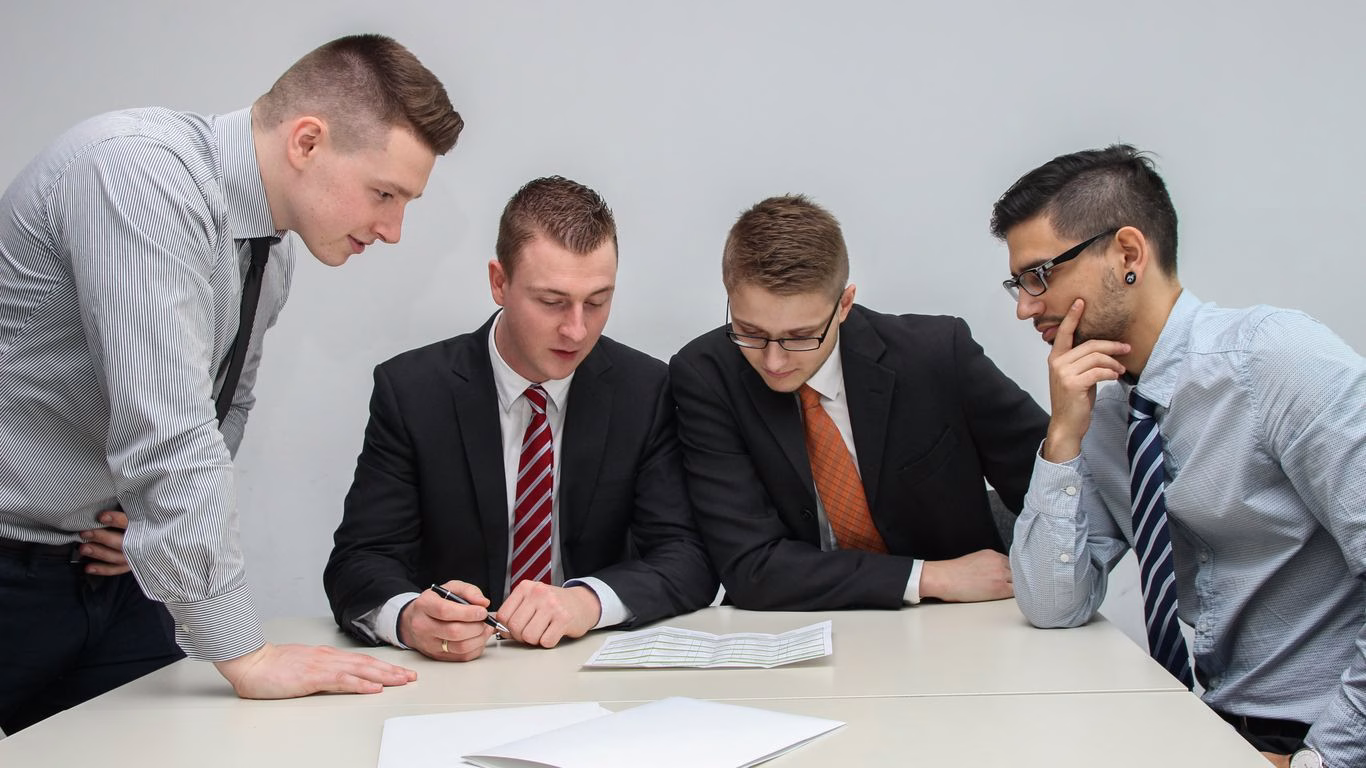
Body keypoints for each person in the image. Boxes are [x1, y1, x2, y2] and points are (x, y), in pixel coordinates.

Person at [0, 34, 464, 733]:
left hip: (102, 575)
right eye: (384, 193)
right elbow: (169, 432)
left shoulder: (270, 251)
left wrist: (146, 529)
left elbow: (225, 407)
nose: (394, 229)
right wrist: (247, 652)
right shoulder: (137, 174)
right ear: (306, 142)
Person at [991, 144, 1365, 768]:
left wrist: (1320, 759)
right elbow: (1052, 605)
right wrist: (1061, 438)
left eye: (1040, 275)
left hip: (1324, 733)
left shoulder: (1276, 362)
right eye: (1018, 284)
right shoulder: (1107, 410)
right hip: (1214, 725)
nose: (1026, 306)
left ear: (1128, 255)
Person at [324, 176, 717, 660]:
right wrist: (409, 618)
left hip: (587, 667)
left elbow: (688, 559)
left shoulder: (645, 390)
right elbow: (359, 561)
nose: (576, 329)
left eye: (597, 302)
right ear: (499, 283)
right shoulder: (412, 392)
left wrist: (586, 601)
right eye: (551, 302)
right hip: (453, 677)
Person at [668, 194, 1047, 611]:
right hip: (798, 627)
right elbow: (751, 567)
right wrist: (928, 576)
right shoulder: (706, 375)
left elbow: (1053, 494)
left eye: (800, 336)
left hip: (961, 624)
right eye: (750, 331)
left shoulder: (937, 356)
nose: (773, 361)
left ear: (844, 305)